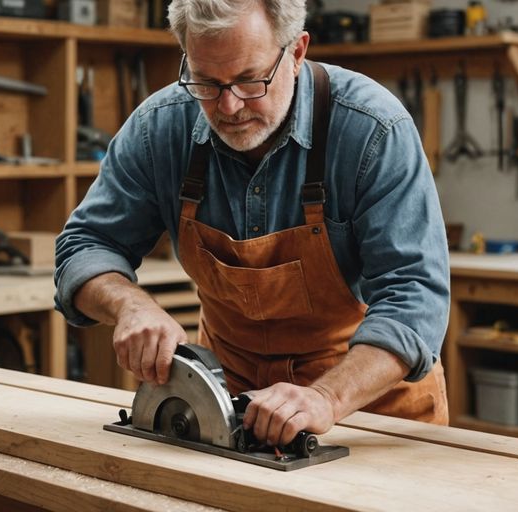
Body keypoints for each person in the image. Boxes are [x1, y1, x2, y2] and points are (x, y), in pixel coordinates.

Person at [54, 0, 450, 447]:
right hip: (228, 406)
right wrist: (129, 305)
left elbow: (414, 296)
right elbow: (84, 245)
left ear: (297, 52)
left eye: (249, 80)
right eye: (206, 82)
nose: (229, 106)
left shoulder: (372, 129)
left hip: (368, 405)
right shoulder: (158, 129)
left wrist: (326, 396)